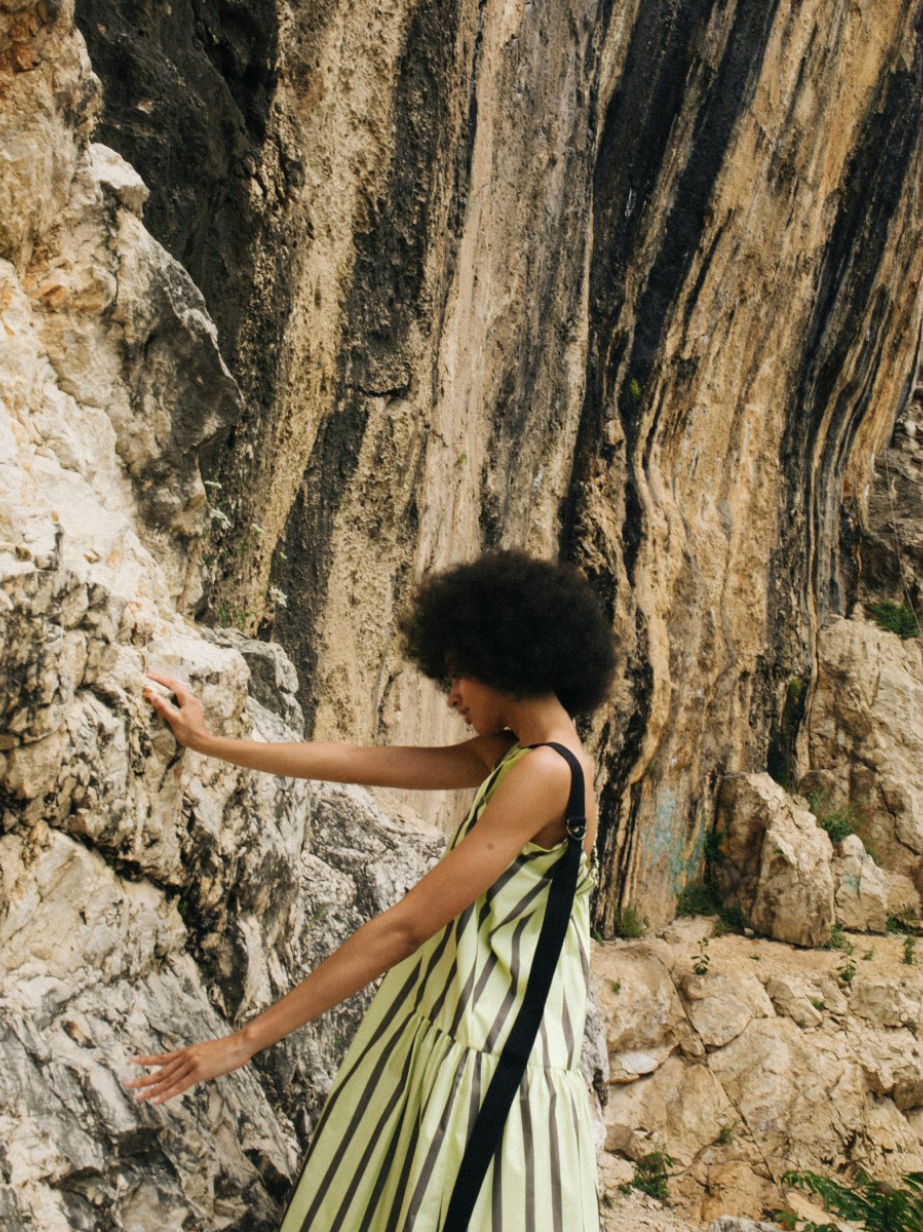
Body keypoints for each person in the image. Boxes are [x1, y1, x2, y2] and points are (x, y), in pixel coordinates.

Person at [125, 548, 616, 1230]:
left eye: (456, 676)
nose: (451, 698)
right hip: (460, 1030)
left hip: (489, 1051)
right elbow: (363, 761)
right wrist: (212, 745)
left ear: (500, 655)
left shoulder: (545, 772)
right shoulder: (521, 756)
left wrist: (242, 1042)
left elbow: (404, 927)